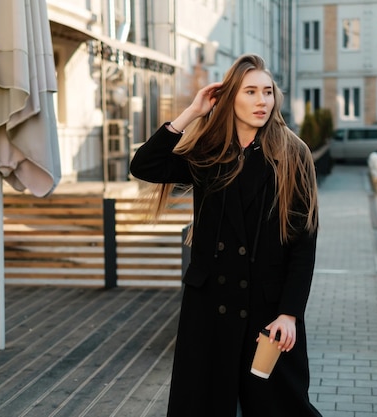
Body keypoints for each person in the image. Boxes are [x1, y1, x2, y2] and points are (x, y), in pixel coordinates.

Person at [130, 54, 321, 417]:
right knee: (201, 405)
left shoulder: (293, 155)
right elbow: (144, 165)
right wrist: (192, 112)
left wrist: (289, 314)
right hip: (209, 309)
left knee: (281, 408)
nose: (261, 101)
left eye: (267, 92)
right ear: (230, 98)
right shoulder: (208, 152)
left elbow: (303, 243)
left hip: (267, 314)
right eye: (250, 91)